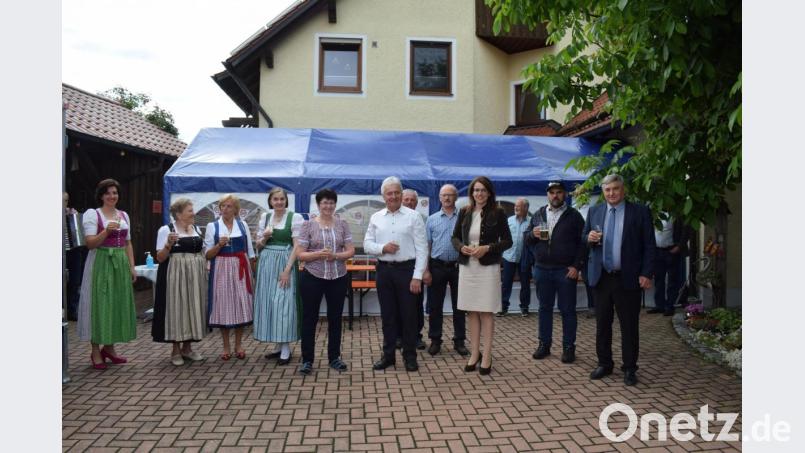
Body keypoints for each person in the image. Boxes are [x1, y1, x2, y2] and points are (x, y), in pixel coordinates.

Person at [583, 174, 655, 386]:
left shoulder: (640, 212)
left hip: (628, 278)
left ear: (623, 190)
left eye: (615, 189)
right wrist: (588, 238)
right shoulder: (595, 211)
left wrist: (646, 273)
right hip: (602, 277)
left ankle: (630, 368)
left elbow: (649, 245)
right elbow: (583, 237)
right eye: (607, 190)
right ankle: (605, 363)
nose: (612, 193)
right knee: (602, 324)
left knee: (629, 326)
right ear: (603, 192)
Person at [364, 176, 428, 372]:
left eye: (396, 192)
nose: (393, 196)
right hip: (384, 271)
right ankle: (389, 355)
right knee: (388, 316)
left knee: (409, 316)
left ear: (401, 194)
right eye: (389, 193)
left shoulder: (413, 216)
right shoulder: (376, 217)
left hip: (406, 271)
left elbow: (422, 248)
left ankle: (410, 356)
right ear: (383, 196)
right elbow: (367, 244)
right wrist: (383, 248)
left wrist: (417, 276)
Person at [452, 176, 512, 375]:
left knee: (486, 311)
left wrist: (487, 248)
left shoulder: (499, 212)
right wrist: (462, 247)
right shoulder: (464, 211)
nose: (479, 194)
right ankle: (474, 353)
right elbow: (455, 237)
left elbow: (507, 241)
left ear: (489, 192)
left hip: (488, 268)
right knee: (471, 311)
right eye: (476, 190)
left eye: (483, 190)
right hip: (468, 268)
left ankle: (487, 355)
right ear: (471, 193)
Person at [77, 179, 137, 370]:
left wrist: (131, 266)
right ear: (101, 195)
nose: (112, 196)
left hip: (119, 262)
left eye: (115, 193)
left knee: (116, 303)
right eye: (108, 193)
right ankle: (96, 350)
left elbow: (128, 243)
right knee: (99, 304)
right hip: (101, 262)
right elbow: (90, 244)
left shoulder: (123, 215)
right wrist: (105, 231)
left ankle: (109, 349)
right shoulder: (93, 215)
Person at [525, 181, 586, 363]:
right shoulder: (538, 214)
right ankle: (544, 345)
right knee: (544, 309)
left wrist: (577, 266)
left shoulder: (574, 216)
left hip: (564, 271)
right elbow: (527, 239)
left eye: (559, 192)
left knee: (567, 310)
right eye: (552, 193)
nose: (555, 196)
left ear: (565, 194)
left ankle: (568, 347)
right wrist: (531, 235)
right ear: (547, 195)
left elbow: (583, 244)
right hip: (542, 270)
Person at [297, 189, 355, 375]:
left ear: (335, 204)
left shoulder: (342, 224)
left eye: (331, 202)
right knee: (309, 318)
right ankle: (307, 359)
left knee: (335, 318)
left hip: (338, 276)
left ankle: (334, 358)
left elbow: (351, 250)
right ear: (318, 204)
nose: (328, 206)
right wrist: (318, 255)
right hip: (312, 276)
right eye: (324, 202)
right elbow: (300, 253)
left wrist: (336, 255)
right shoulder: (308, 225)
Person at [253, 188, 305, 365]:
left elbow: (297, 246)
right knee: (270, 303)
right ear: (270, 201)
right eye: (275, 199)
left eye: (282, 199)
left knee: (284, 303)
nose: (279, 202)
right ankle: (277, 345)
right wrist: (265, 237)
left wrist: (287, 269)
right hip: (266, 264)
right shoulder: (265, 218)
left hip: (284, 261)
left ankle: (285, 348)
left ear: (286, 201)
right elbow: (258, 246)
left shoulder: (295, 218)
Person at [153, 198, 207, 366]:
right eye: (190, 210)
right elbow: (160, 257)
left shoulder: (196, 229)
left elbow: (202, 251)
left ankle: (187, 348)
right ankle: (175, 350)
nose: (194, 213)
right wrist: (169, 244)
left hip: (194, 275)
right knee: (177, 308)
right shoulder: (166, 230)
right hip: (175, 274)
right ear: (178, 214)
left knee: (192, 307)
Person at [205, 194, 255, 361]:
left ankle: (239, 345)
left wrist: (252, 270)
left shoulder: (243, 225)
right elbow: (207, 254)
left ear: (236, 209)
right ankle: (226, 346)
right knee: (223, 305)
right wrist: (219, 245)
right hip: (221, 267)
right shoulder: (213, 226)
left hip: (240, 266)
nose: (225, 209)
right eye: (222, 206)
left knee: (241, 303)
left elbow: (250, 250)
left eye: (229, 206)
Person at [423, 184, 468, 356]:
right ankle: (435, 340)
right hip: (437, 266)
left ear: (456, 197)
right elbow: (427, 246)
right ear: (439, 198)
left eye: (450, 195)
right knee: (435, 306)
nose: (447, 198)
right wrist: (426, 270)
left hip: (459, 266)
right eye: (444, 195)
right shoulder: (432, 219)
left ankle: (459, 341)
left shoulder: (464, 218)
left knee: (460, 305)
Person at [400, 188, 426, 350]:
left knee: (416, 305)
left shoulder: (423, 219)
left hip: (417, 268)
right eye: (406, 199)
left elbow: (426, 247)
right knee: (397, 305)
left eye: (412, 200)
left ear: (417, 203)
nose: (409, 202)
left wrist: (425, 270)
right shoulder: (394, 218)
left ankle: (416, 337)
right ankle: (397, 337)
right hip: (399, 268)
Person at [648, 215, 690, 316]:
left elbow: (686, 231)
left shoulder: (677, 214)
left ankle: (670, 306)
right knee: (658, 279)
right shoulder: (655, 213)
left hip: (671, 251)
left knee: (672, 280)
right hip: (657, 251)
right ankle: (660, 305)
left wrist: (679, 247)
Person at [499, 198, 532, 317]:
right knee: (506, 283)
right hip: (509, 256)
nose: (516, 208)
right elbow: (502, 237)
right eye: (515, 206)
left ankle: (524, 307)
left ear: (526, 208)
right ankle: (503, 307)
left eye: (519, 206)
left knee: (525, 284)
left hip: (525, 258)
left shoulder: (531, 222)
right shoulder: (509, 221)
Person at [64, 192, 87, 321]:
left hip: (74, 251)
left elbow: (80, 236)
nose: (64, 204)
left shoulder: (72, 213)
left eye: (66, 201)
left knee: (75, 281)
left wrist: (76, 218)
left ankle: (73, 310)